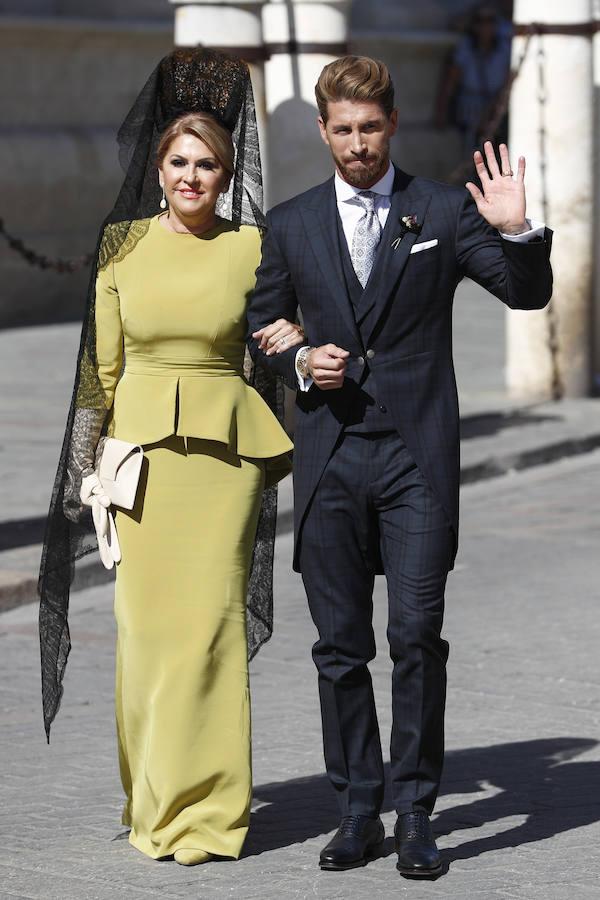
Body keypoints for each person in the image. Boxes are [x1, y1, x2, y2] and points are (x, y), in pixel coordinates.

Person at [248, 55, 552, 878]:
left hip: (416, 456)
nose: (357, 145)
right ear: (322, 131)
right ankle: (358, 810)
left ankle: (416, 812)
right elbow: (261, 326)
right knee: (340, 648)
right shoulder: (292, 223)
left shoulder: (442, 211)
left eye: (370, 128)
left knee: (415, 637)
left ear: (393, 124)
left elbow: (526, 297)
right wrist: (301, 360)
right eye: (342, 130)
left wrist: (518, 232)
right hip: (331, 458)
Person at [38, 48, 303, 866]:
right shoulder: (119, 246)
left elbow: (269, 350)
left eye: (209, 165)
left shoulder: (252, 247)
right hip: (140, 466)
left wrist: (294, 346)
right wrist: (87, 476)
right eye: (181, 162)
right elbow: (100, 372)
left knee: (212, 632)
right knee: (149, 635)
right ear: (159, 167)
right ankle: (154, 798)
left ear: (227, 174)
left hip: (224, 466)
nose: (194, 177)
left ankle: (213, 816)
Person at [436, 4, 512, 151]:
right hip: (470, 109)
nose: (485, 27)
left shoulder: (504, 50)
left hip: (497, 107)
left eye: (490, 21)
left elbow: (508, 82)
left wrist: (493, 109)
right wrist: (441, 113)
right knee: (472, 150)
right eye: (480, 22)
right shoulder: (465, 50)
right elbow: (450, 83)